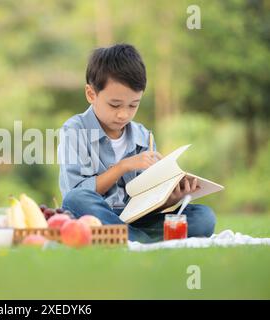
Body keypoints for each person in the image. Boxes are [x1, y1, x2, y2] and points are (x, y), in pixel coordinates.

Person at [57, 44, 216, 243]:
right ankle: (141, 240)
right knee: (75, 199)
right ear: (91, 94)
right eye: (114, 105)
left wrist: (170, 198)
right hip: (95, 214)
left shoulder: (143, 136)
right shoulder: (75, 130)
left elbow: (145, 200)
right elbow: (76, 191)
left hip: (136, 220)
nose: (124, 114)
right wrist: (124, 166)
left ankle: (129, 238)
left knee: (203, 217)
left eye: (133, 105)